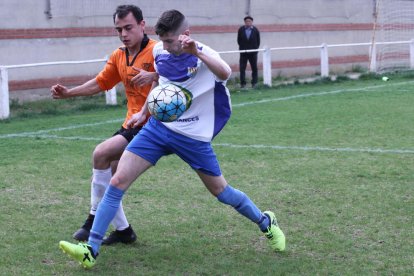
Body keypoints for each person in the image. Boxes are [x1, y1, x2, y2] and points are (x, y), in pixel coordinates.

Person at [59, 9, 285, 269]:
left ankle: (266, 222)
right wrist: (143, 112)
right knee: (118, 179)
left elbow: (225, 73)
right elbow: (162, 82)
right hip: (158, 130)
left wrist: (197, 52)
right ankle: (91, 248)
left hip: (193, 137)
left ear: (185, 35)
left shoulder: (203, 53)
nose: (164, 47)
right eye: (162, 41)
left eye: (170, 41)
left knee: (221, 192)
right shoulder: (160, 52)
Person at [51, 5, 158, 245]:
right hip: (131, 124)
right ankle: (124, 231)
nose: (123, 34)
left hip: (152, 126)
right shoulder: (119, 55)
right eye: (119, 29)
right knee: (110, 177)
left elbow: (175, 75)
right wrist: (69, 93)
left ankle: (91, 220)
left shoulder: (157, 51)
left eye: (128, 27)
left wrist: (155, 76)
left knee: (100, 153)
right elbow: (100, 83)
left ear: (142, 25)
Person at [237, 15, 260, 88]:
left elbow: (258, 41)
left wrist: (255, 49)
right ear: (244, 22)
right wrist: (243, 48)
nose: (248, 22)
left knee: (254, 68)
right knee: (242, 68)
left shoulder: (255, 30)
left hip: (253, 53)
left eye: (249, 21)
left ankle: (254, 83)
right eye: (246, 21)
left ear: (252, 22)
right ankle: (243, 84)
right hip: (243, 52)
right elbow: (239, 40)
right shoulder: (241, 29)